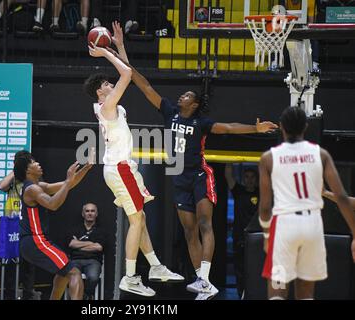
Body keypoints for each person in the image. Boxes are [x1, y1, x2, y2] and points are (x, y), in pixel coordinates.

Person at [108, 22, 278, 299]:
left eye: (187, 95)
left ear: (195, 104)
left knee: (205, 224)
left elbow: (230, 127)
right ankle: (202, 282)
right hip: (179, 179)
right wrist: (122, 50)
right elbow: (143, 83)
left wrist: (254, 128)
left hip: (200, 174)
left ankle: (205, 277)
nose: (181, 95)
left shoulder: (201, 121)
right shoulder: (170, 112)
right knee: (188, 232)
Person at [84, 21, 184, 297]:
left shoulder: (107, 104)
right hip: (119, 168)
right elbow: (126, 75)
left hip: (123, 168)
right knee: (137, 220)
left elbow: (127, 72)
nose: (110, 83)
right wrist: (105, 52)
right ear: (99, 92)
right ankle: (130, 277)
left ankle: (155, 266)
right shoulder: (106, 105)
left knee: (139, 218)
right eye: (106, 83)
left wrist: (120, 46)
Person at [258, 106, 355, 300]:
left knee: (277, 290)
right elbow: (343, 198)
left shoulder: (269, 158)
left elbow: (265, 206)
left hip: (284, 225)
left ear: (282, 127)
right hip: (312, 225)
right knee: (305, 294)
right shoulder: (321, 154)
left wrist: (268, 236)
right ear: (306, 127)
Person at [15, 151, 91, 299]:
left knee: (63, 273)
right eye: (33, 162)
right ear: (27, 170)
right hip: (36, 240)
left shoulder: (38, 186)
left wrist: (85, 169)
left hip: (31, 242)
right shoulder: (32, 189)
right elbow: (53, 204)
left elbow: (67, 185)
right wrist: (68, 181)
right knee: (74, 272)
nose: (37, 163)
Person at [0, 150, 36, 300]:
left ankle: (28, 295)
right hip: (11, 227)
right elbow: (1, 186)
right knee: (10, 263)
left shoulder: (32, 179)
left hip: (28, 226)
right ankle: (9, 295)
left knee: (28, 263)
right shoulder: (13, 179)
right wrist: (16, 170)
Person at [224, 164, 259, 298]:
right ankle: (241, 294)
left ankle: (254, 293)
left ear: (256, 179)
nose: (249, 180)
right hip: (239, 236)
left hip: (256, 237)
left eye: (252, 177)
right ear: (243, 179)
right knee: (240, 268)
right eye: (247, 177)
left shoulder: (261, 192)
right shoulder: (238, 191)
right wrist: (234, 152)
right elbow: (228, 174)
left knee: (255, 268)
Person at [67, 203, 107, 300]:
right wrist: (90, 243)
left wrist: (78, 244)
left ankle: (85, 294)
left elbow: (98, 247)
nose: (90, 213)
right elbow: (71, 244)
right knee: (72, 276)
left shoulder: (101, 231)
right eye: (87, 211)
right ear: (83, 214)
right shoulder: (75, 229)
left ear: (96, 214)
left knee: (93, 277)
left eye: (92, 211)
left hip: (93, 261)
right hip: (75, 260)